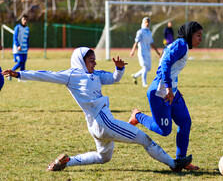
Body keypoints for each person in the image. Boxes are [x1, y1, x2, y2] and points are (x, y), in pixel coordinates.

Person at [2, 47, 192, 172]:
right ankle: (174, 164)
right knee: (144, 139)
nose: (95, 63)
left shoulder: (96, 75)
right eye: (91, 60)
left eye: (94, 60)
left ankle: (67, 161)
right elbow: (46, 75)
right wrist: (20, 74)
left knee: (103, 157)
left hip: (96, 126)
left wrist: (118, 69)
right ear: (80, 61)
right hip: (104, 122)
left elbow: (115, 79)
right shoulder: (72, 75)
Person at [128, 21, 203, 171]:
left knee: (185, 122)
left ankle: (181, 160)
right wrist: (169, 88)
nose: (200, 39)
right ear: (190, 34)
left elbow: (171, 68)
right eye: (198, 35)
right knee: (164, 131)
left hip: (171, 92)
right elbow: (166, 63)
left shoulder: (182, 45)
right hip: (161, 93)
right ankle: (138, 116)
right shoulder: (181, 44)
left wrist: (174, 88)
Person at [130, 17, 161, 87]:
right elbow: (136, 42)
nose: (147, 24)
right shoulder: (140, 32)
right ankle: (144, 83)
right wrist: (133, 51)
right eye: (146, 22)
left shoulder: (149, 32)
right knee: (144, 67)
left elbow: (152, 43)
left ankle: (135, 76)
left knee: (148, 68)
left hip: (148, 52)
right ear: (143, 23)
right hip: (141, 52)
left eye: (148, 22)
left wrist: (158, 52)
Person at [10, 14, 30, 81]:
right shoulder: (17, 27)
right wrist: (18, 45)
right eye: (24, 19)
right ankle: (10, 72)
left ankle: (21, 78)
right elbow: (15, 37)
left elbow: (27, 39)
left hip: (24, 49)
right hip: (18, 49)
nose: (25, 21)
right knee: (20, 62)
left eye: (26, 20)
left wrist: (27, 46)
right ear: (21, 20)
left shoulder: (27, 29)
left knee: (23, 63)